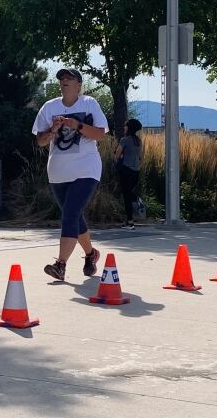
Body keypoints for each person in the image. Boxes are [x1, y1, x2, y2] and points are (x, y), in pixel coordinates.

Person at [32, 68, 109, 281]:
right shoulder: (49, 107)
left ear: (79, 85)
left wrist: (79, 125)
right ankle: (91, 254)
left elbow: (100, 134)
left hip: (86, 169)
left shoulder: (89, 103)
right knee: (74, 215)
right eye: (62, 79)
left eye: (69, 79)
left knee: (70, 213)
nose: (64, 82)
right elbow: (40, 141)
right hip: (58, 172)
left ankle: (60, 264)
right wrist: (53, 130)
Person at [114, 119, 143, 230]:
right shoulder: (138, 141)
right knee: (129, 193)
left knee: (127, 196)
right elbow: (140, 156)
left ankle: (130, 222)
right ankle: (130, 218)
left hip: (126, 169)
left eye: (125, 126)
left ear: (129, 128)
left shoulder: (124, 140)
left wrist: (118, 159)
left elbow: (117, 154)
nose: (124, 128)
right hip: (136, 170)